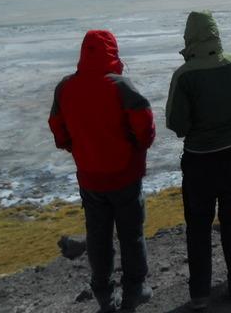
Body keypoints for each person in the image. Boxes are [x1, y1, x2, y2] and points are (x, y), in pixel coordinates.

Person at [166, 11, 231, 310]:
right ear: (215, 34)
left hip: (199, 160)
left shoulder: (184, 75)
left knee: (198, 226)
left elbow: (177, 125)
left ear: (189, 37)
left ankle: (199, 294)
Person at [49, 30, 155, 313]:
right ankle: (136, 289)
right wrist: (136, 147)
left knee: (98, 236)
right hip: (125, 174)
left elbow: (58, 131)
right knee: (131, 234)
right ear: (113, 52)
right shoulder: (121, 86)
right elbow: (145, 127)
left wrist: (76, 148)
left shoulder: (65, 88)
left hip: (90, 176)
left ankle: (104, 295)